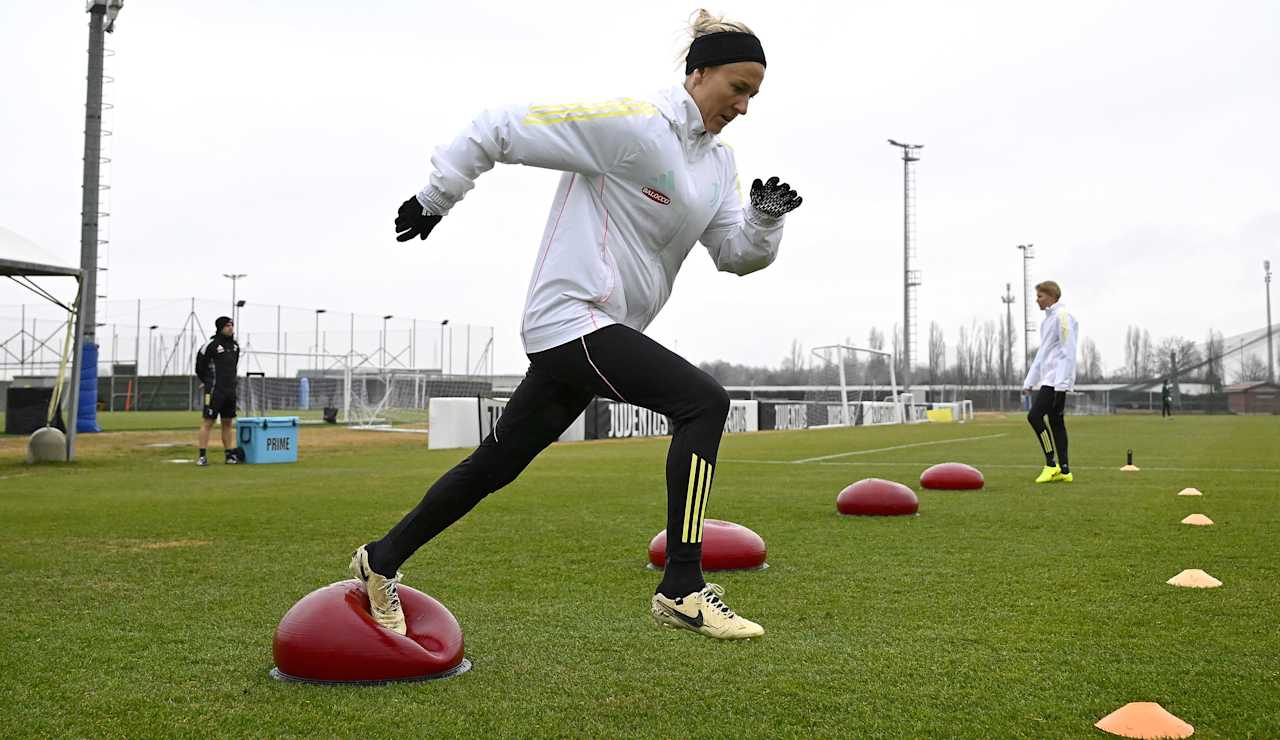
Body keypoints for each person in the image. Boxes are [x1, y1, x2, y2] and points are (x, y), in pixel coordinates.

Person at [350, 9, 801, 640]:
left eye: (755, 95)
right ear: (699, 73)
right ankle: (683, 585)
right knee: (704, 402)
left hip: (604, 331)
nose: (745, 105)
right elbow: (498, 127)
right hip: (570, 320)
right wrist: (436, 198)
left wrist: (764, 220)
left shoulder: (717, 166)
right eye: (738, 87)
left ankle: (381, 559)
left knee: (496, 465)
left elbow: (735, 256)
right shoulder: (634, 125)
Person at [1022, 281, 1078, 484]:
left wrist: (1062, 386)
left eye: (1040, 296)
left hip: (1056, 381)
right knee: (1056, 422)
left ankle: (1051, 464)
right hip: (1048, 379)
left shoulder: (1062, 317)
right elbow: (1043, 353)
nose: (1037, 300)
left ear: (1052, 296)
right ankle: (1065, 470)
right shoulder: (1047, 321)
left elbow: (1068, 351)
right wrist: (1030, 381)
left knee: (1034, 417)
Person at [195, 316, 242, 466]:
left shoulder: (235, 346)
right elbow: (199, 366)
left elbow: (233, 367)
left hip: (230, 391)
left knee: (227, 422)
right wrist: (207, 381)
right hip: (214, 391)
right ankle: (202, 456)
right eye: (227, 325)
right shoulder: (210, 345)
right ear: (220, 327)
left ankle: (229, 455)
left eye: (232, 325)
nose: (230, 328)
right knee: (208, 421)